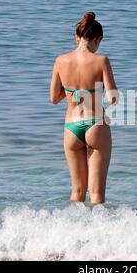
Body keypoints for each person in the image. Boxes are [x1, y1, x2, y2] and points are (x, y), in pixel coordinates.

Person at [50, 12, 118, 205]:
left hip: (71, 127)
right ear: (98, 39)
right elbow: (113, 98)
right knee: (96, 194)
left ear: (76, 37)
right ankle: (98, 233)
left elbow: (54, 98)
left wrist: (73, 92)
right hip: (96, 124)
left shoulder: (60, 61)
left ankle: (72, 231)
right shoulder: (102, 61)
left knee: (77, 192)